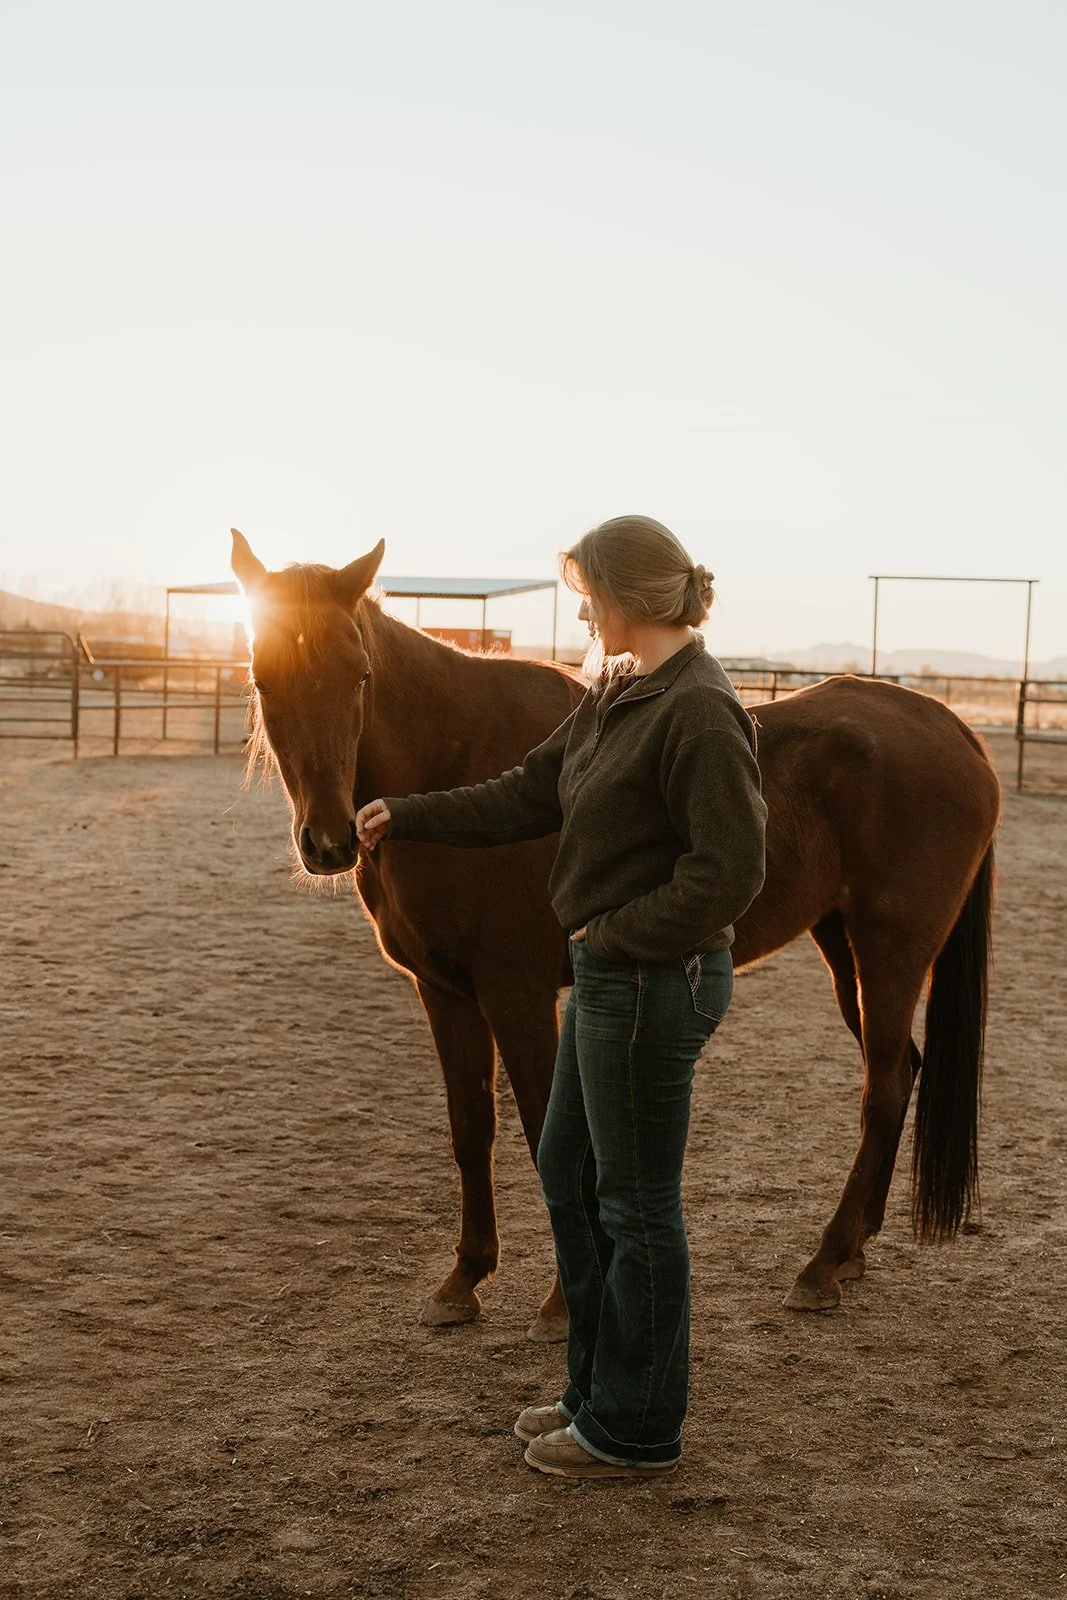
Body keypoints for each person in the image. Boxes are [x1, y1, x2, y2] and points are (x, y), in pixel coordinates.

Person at [355, 514, 767, 1479]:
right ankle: (593, 1392)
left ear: (626, 597)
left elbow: (731, 873)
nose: (581, 608)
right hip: (608, 980)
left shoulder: (700, 711)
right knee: (570, 1178)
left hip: (654, 981)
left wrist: (615, 935)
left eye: (587, 593)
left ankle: (636, 1429)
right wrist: (405, 815)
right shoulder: (619, 692)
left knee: (635, 1208)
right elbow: (528, 791)